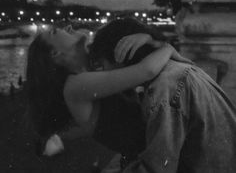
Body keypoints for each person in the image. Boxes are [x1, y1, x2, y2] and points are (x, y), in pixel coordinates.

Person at [26, 18, 190, 168]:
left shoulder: (96, 68)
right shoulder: (74, 86)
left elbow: (144, 60)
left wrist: (147, 39)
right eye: (55, 32)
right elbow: (147, 70)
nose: (67, 26)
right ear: (55, 54)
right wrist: (167, 47)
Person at [91, 18, 236, 173]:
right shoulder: (176, 69)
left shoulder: (164, 89)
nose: (104, 73)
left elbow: (157, 168)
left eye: (103, 64)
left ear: (120, 56)